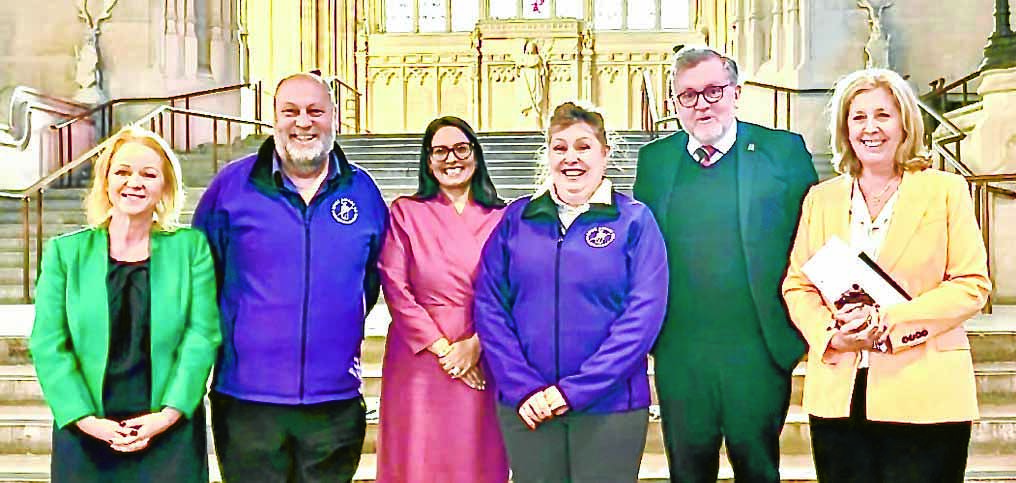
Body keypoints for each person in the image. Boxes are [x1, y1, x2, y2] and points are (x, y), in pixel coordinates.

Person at [782, 68, 990, 482]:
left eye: (883, 115)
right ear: (845, 128)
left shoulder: (945, 191)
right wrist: (830, 336)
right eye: (858, 117)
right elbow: (798, 285)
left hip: (926, 390)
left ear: (904, 123)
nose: (870, 128)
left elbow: (972, 285)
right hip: (841, 392)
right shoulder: (821, 200)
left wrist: (889, 321)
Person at [633, 45, 817, 482]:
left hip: (756, 346)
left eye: (714, 91)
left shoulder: (782, 151)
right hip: (681, 350)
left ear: (737, 92)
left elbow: (814, 241)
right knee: (688, 471)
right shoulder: (655, 161)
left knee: (757, 468)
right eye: (689, 95)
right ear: (674, 103)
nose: (702, 104)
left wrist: (797, 336)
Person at [192, 72, 388, 482]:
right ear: (273, 118)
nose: (303, 122)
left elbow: (368, 281)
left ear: (334, 117)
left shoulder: (363, 191)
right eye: (291, 111)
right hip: (248, 402)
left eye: (315, 111)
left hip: (333, 402)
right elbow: (202, 278)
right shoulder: (230, 188)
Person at [474, 101, 668, 483]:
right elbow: (490, 306)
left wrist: (573, 392)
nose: (571, 158)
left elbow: (642, 319)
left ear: (605, 154)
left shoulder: (634, 221)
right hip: (528, 407)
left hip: (610, 407)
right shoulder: (517, 218)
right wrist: (523, 388)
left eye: (583, 147)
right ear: (547, 155)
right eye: (559, 147)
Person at [30, 126, 221, 482]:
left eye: (149, 174)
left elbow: (202, 335)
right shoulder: (65, 253)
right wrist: (88, 421)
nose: (135, 182)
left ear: (165, 186)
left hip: (168, 430)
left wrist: (166, 416)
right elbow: (47, 344)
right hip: (86, 428)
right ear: (105, 181)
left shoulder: (191, 249)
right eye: (123, 171)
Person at [375, 116, 509, 482]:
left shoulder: (504, 217)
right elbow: (395, 285)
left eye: (461, 148)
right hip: (420, 357)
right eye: (440, 151)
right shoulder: (406, 212)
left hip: (483, 350)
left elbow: (515, 290)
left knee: (475, 455)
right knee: (418, 456)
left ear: (476, 156)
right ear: (428, 160)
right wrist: (444, 350)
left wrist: (475, 346)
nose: (452, 159)